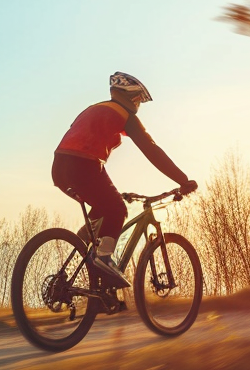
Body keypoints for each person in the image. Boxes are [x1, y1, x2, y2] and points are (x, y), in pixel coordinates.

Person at [53, 72, 197, 288]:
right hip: (85, 164)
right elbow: (152, 151)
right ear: (130, 97)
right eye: (138, 99)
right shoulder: (125, 115)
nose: (138, 104)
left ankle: (80, 274)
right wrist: (183, 180)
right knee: (118, 210)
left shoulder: (94, 108)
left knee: (102, 212)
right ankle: (102, 259)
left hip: (59, 167)